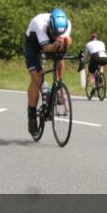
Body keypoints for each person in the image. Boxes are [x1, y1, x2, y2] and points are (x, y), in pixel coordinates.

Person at [23, 8, 72, 136]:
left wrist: (64, 44)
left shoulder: (67, 25)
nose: (56, 35)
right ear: (50, 26)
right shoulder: (40, 23)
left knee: (60, 56)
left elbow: (61, 48)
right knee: (37, 79)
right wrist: (56, 43)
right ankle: (32, 115)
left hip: (51, 41)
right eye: (54, 33)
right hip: (33, 43)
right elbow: (47, 48)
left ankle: (58, 87)